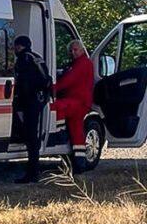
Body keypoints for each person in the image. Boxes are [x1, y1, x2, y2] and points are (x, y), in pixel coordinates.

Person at [13, 35, 52, 183]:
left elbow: (24, 83)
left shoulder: (24, 59)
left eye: (15, 46)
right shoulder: (37, 57)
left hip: (30, 101)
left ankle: (32, 173)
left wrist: (18, 103)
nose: (14, 49)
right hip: (39, 99)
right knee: (32, 135)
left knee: (30, 137)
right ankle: (33, 170)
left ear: (19, 46)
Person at [53, 40, 94, 172]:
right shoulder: (79, 63)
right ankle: (79, 163)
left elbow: (69, 80)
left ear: (82, 50)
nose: (73, 52)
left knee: (55, 107)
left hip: (78, 101)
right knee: (77, 133)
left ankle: (60, 134)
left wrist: (53, 88)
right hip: (80, 102)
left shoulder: (83, 63)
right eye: (71, 50)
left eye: (75, 50)